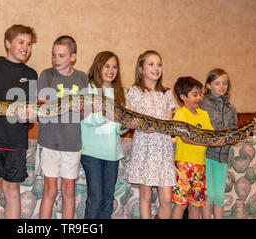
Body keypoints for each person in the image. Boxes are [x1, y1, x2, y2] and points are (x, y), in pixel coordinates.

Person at [0, 24, 38, 219]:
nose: (25, 47)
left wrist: (31, 116)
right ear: (7, 43)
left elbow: (31, 113)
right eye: (20, 42)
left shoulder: (31, 74)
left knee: (13, 190)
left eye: (28, 43)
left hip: (16, 141)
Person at [80, 51, 138, 219]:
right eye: (107, 66)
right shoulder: (89, 88)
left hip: (112, 153)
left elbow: (118, 128)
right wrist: (107, 114)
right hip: (91, 152)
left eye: (115, 67)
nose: (111, 70)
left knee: (107, 200)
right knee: (96, 199)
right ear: (98, 67)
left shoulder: (121, 93)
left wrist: (127, 124)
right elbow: (86, 120)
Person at [37, 35, 88, 219]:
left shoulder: (82, 77)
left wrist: (82, 108)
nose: (56, 60)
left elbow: (85, 114)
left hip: (72, 142)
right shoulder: (46, 75)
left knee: (69, 190)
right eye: (53, 55)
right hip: (50, 141)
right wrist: (66, 105)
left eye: (61, 56)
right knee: (50, 190)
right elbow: (43, 109)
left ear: (73, 57)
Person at [124, 50, 177, 219]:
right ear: (141, 69)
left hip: (163, 149)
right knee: (145, 195)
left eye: (159, 64)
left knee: (167, 198)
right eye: (151, 64)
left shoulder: (166, 94)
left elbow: (169, 123)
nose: (156, 68)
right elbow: (127, 119)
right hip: (144, 148)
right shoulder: (135, 92)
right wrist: (133, 124)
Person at [171, 76, 226, 219]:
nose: (199, 98)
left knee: (196, 203)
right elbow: (186, 138)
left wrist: (217, 140)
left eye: (200, 94)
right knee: (181, 203)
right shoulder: (180, 114)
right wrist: (210, 143)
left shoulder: (204, 114)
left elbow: (210, 135)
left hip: (200, 165)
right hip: (184, 164)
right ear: (183, 97)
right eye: (195, 95)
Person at [200, 68, 237, 219]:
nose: (222, 86)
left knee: (220, 196)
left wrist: (235, 137)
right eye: (217, 83)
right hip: (207, 155)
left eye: (225, 83)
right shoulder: (202, 105)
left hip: (223, 156)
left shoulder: (231, 108)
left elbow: (234, 130)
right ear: (208, 85)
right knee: (209, 194)